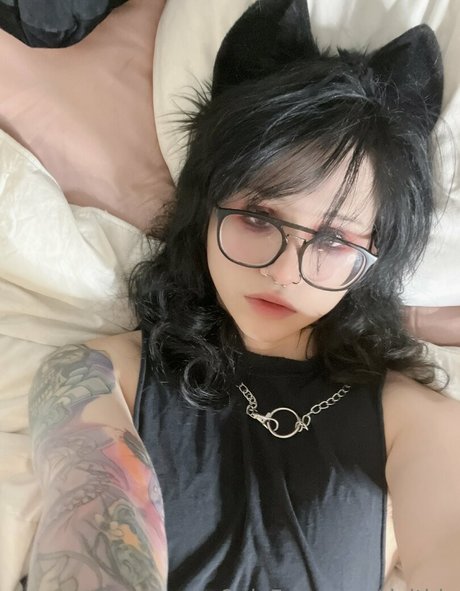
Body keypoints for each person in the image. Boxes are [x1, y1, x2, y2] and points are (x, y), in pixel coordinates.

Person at [26, 1, 460, 590]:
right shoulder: (95, 376)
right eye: (258, 218)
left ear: (375, 259)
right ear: (207, 208)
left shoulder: (417, 421)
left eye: (333, 240)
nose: (284, 272)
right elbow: (87, 505)